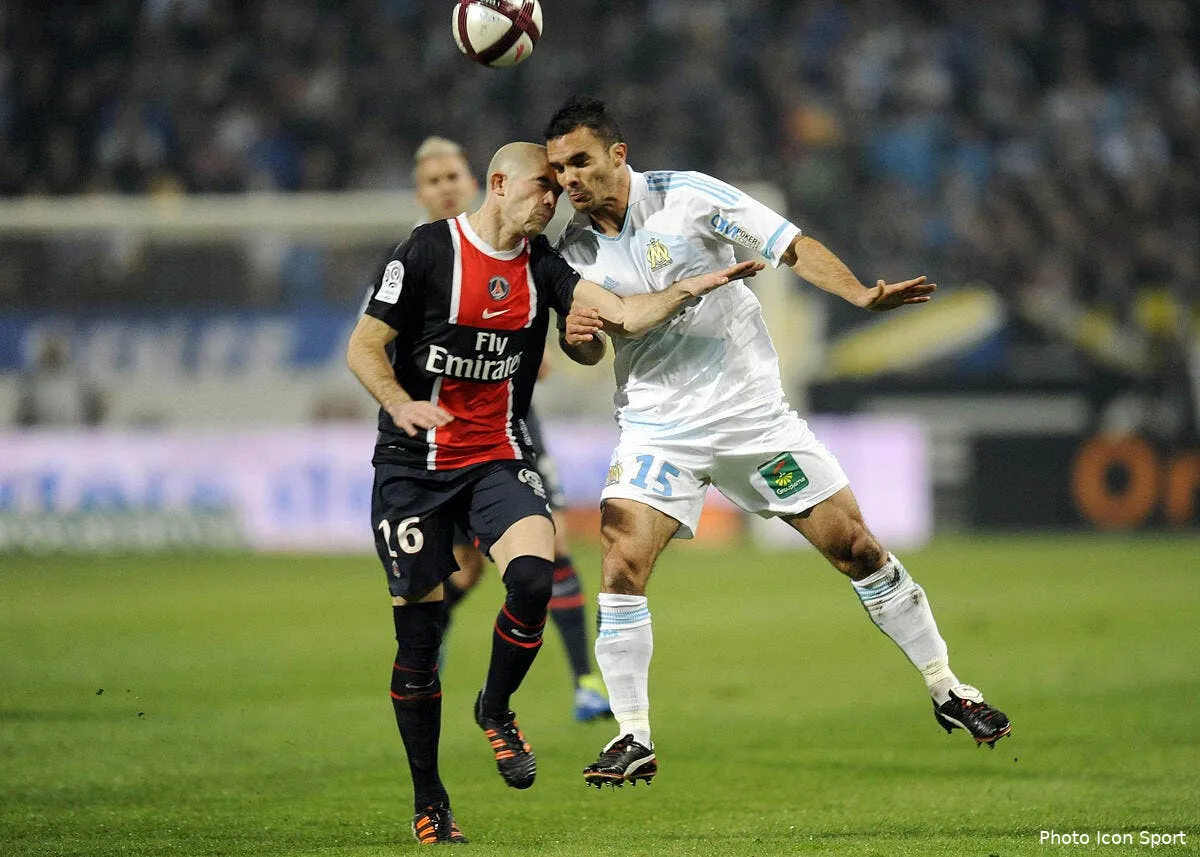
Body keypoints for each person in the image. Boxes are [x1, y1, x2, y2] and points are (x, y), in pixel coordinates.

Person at [544, 96, 1013, 789]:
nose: (568, 179)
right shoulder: (571, 250)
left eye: (579, 160)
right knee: (621, 559)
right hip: (657, 424)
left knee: (857, 548)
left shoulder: (691, 198)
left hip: (750, 417)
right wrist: (578, 341)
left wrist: (857, 294)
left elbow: (789, 244)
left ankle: (948, 687)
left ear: (617, 154)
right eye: (556, 169)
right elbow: (585, 347)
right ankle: (631, 734)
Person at [346, 140, 762, 843]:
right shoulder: (423, 252)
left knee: (536, 576)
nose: (555, 198)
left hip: (495, 456)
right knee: (417, 642)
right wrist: (399, 401)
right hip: (411, 467)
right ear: (501, 183)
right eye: (543, 186)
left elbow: (622, 313)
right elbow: (365, 346)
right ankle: (431, 798)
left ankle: (496, 706)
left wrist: (684, 290)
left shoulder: (544, 264)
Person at [411, 135, 612, 722]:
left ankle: (584, 680)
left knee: (549, 543)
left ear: (481, 183)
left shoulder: (523, 248)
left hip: (507, 426)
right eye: (434, 180)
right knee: (462, 567)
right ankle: (431, 646)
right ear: (420, 193)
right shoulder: (418, 255)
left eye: (454, 175)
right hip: (438, 435)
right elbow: (383, 341)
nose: (447, 186)